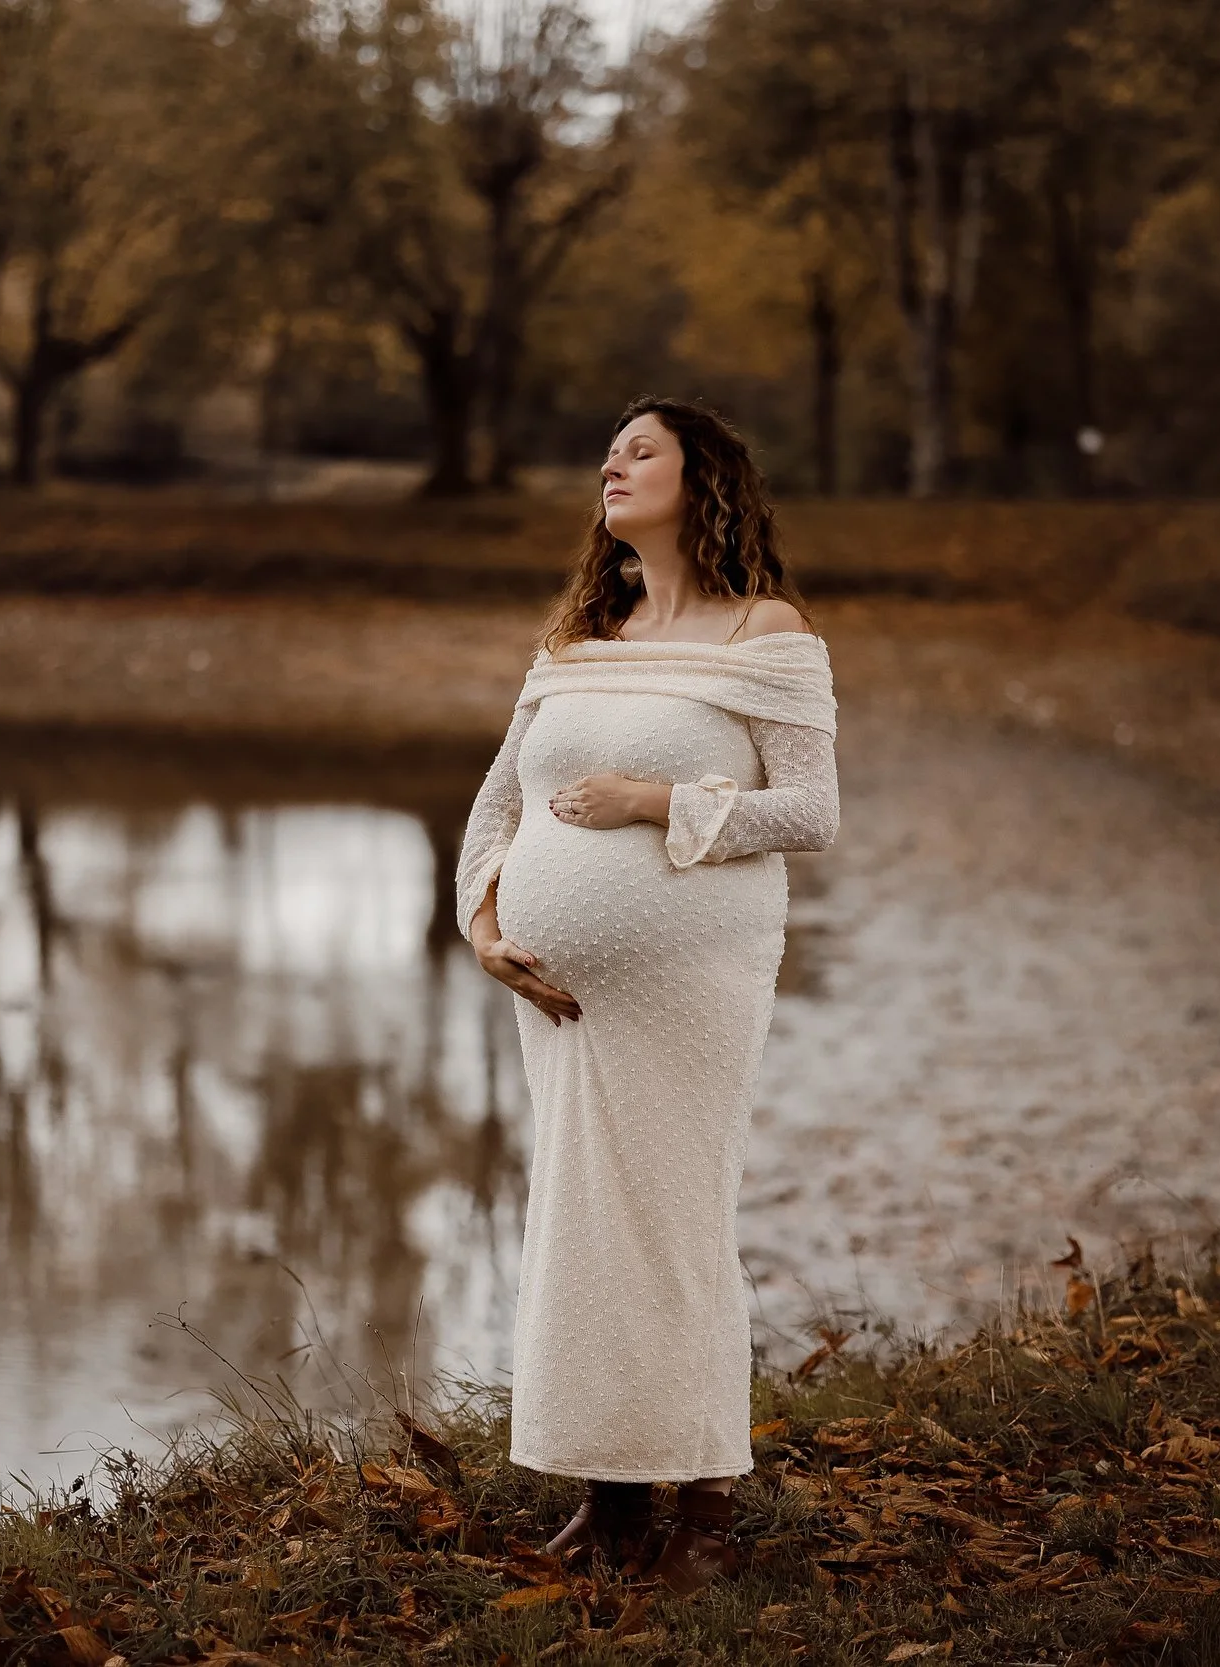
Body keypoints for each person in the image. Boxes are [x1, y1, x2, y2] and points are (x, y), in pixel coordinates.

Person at [452, 396, 840, 1598]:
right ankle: (612, 1502)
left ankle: (708, 1510)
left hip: (693, 976)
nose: (613, 465)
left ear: (704, 478)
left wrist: (650, 801)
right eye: (608, 452)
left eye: (642, 449)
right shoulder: (581, 634)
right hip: (556, 988)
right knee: (582, 1223)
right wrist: (482, 924)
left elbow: (813, 813)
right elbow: (496, 801)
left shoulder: (764, 632)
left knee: (672, 1219)